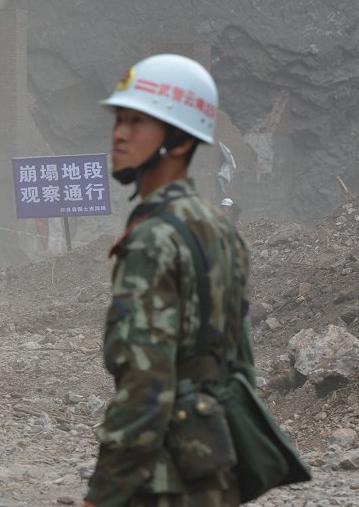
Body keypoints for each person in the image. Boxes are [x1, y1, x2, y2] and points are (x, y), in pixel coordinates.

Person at [84, 54, 254, 507]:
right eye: (120, 119)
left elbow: (145, 385)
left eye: (138, 122)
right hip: (214, 462)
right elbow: (240, 363)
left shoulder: (153, 238)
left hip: (161, 476)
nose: (119, 133)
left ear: (179, 140)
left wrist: (103, 494)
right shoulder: (218, 228)